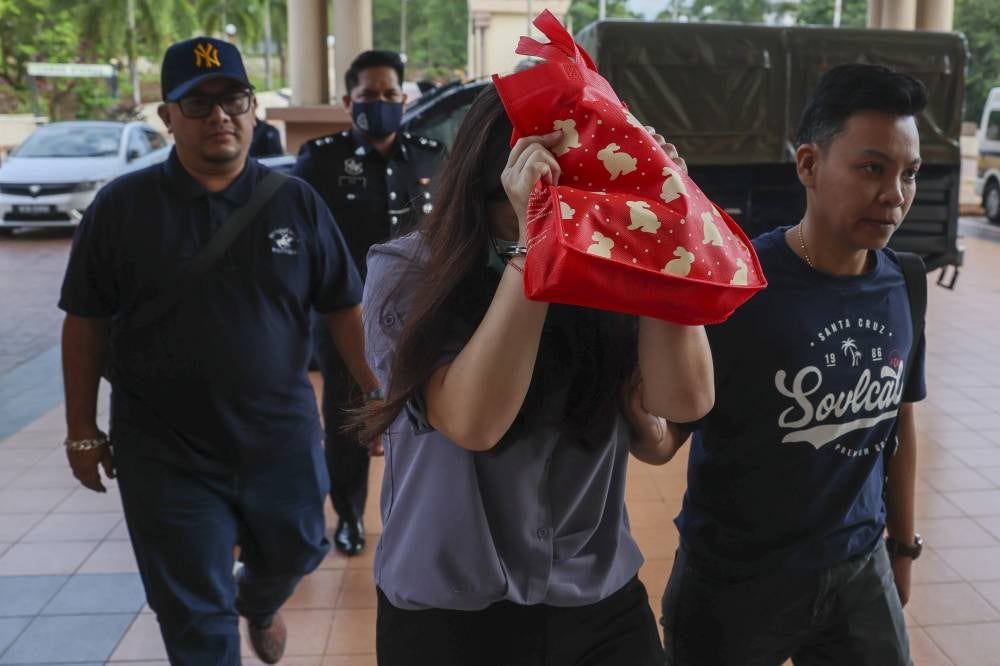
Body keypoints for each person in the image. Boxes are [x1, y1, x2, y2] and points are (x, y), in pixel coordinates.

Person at [360, 84, 714, 666]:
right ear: (488, 177)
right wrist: (537, 245)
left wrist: (663, 231)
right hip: (450, 612)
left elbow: (684, 402)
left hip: (593, 594)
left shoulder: (611, 261)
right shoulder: (406, 272)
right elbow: (473, 423)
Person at [59, 37, 378, 665]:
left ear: (253, 108)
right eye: (198, 103)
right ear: (167, 116)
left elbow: (343, 306)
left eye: (232, 99)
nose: (219, 116)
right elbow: (85, 323)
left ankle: (258, 602)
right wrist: (80, 430)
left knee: (299, 547)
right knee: (194, 618)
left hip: (278, 437)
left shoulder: (295, 202)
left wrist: (374, 392)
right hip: (164, 452)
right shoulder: (121, 207)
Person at [660, 63, 928, 666]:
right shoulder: (738, 285)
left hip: (859, 571)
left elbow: (900, 427)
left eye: (909, 173)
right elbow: (661, 439)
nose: (895, 195)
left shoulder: (906, 281)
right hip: (735, 583)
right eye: (872, 168)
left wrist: (900, 550)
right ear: (808, 164)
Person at [293, 49, 442, 556]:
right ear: (347, 101)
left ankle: (422, 514)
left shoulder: (429, 154)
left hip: (421, 311)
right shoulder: (321, 159)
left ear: (404, 98)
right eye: (368, 96)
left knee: (429, 411)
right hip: (346, 313)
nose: (379, 104)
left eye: (389, 95)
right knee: (349, 418)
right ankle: (351, 515)